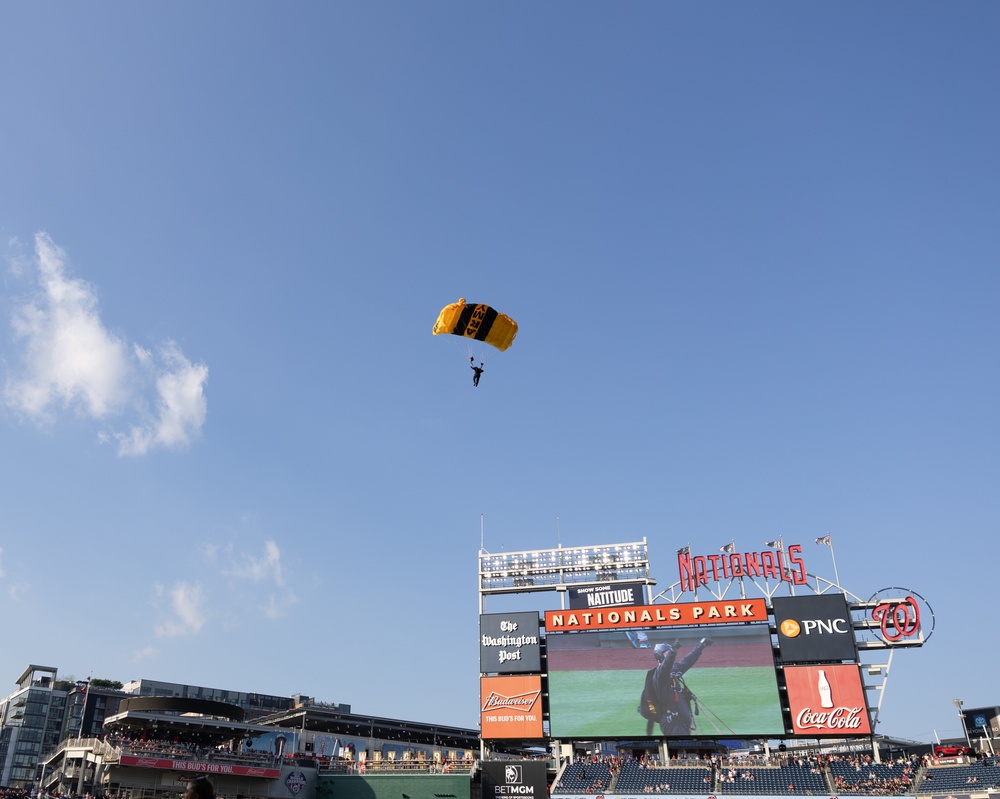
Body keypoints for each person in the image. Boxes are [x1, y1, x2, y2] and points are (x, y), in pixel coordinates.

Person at [638, 636, 713, 735]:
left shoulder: (673, 670)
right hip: (673, 725)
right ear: (659, 656)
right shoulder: (660, 674)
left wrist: (701, 646)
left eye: (670, 653)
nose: (670, 656)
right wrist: (673, 651)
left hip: (680, 724)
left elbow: (687, 661)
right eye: (667, 653)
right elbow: (666, 665)